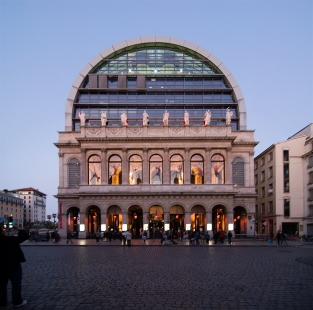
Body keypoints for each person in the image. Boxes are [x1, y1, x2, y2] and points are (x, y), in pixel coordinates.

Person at [0, 224, 29, 308]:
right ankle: (17, 302)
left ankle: (2, 303)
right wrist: (18, 228)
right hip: (14, 265)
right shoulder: (11, 240)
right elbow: (26, 235)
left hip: (1, 267)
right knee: (16, 284)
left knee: (1, 285)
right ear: (2, 232)